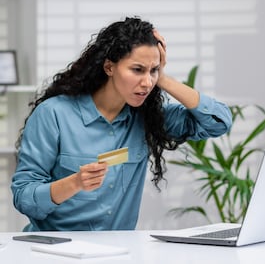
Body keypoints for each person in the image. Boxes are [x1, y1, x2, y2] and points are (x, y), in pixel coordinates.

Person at [10, 17, 232, 231]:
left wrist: (162, 79)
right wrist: (75, 183)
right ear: (109, 67)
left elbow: (219, 122)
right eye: (137, 69)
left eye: (153, 70)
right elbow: (24, 198)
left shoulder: (147, 117)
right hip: (55, 250)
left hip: (120, 251)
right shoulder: (54, 115)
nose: (146, 82)